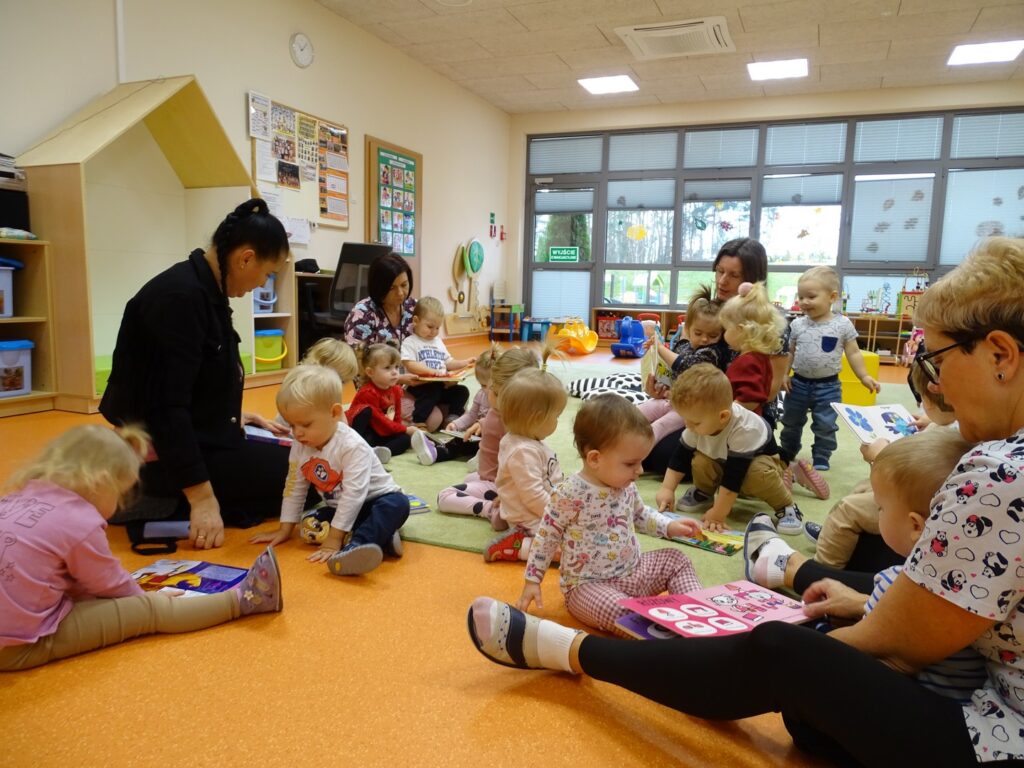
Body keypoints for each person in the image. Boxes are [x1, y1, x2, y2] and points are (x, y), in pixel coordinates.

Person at [463, 236, 1024, 767]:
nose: (936, 384)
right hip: (986, 694)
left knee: (783, 648)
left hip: (995, 734)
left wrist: (767, 649)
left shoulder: (999, 474)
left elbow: (901, 641)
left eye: (937, 360)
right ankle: (785, 570)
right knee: (821, 671)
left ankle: (570, 651)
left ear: (1000, 354)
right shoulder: (997, 462)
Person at [0, 424, 282, 671]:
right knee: (149, 611)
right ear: (101, 482)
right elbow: (111, 585)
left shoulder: (15, 498)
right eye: (121, 494)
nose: (120, 505)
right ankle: (245, 601)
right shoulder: (80, 520)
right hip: (19, 646)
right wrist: (146, 599)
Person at [100, 198, 292, 550]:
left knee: (303, 461)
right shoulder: (179, 299)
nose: (262, 282)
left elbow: (196, 379)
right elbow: (164, 410)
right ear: (245, 258)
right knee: (299, 477)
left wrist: (233, 415)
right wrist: (202, 499)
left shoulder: (206, 290)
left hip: (191, 434)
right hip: (157, 453)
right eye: (266, 273)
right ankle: (155, 498)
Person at [753, 427, 987, 702]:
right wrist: (865, 605)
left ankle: (786, 565)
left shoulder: (898, 581)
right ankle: (788, 566)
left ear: (915, 525)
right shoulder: (975, 580)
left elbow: (862, 646)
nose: (878, 513)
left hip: (914, 702)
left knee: (797, 639)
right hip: (961, 697)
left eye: (881, 508)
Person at [519, 394, 702, 635]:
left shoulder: (626, 483)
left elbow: (639, 514)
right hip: (588, 587)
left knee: (677, 559)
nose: (640, 471)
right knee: (619, 613)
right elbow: (547, 536)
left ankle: (699, 614)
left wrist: (668, 526)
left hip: (636, 572)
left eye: (641, 462)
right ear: (595, 458)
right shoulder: (569, 493)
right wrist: (533, 580)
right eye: (631, 464)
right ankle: (660, 639)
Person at [643, 238, 791, 475]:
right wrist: (664, 387)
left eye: (733, 275)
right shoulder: (709, 311)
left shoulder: (769, 322)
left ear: (751, 279)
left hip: (742, 412)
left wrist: (713, 406)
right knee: (639, 436)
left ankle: (777, 462)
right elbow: (684, 359)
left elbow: (769, 391)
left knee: (662, 457)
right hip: (695, 405)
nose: (722, 281)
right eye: (720, 271)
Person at [249, 365, 408, 577]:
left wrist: (334, 540)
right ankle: (382, 536)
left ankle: (356, 547)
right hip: (343, 507)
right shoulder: (300, 445)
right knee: (312, 521)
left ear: (334, 413)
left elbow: (354, 494)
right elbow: (294, 486)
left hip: (376, 498)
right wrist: (285, 529)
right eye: (292, 425)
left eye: (305, 424)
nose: (297, 433)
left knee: (396, 505)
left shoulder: (351, 445)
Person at [804, 361, 956, 571]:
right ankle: (835, 537)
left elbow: (905, 476)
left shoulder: (947, 433)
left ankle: (820, 568)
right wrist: (933, 422)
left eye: (922, 399)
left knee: (848, 509)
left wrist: (878, 457)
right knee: (863, 488)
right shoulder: (959, 424)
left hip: (920, 504)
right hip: (927, 499)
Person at [656, 364, 799, 534]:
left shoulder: (744, 429)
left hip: (760, 466)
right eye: (685, 419)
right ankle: (704, 492)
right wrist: (667, 489)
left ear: (723, 416)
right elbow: (680, 457)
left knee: (756, 473)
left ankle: (787, 506)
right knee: (700, 460)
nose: (687, 426)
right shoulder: (697, 423)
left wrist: (718, 514)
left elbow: (733, 476)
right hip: (724, 461)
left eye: (694, 422)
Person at [778, 266, 880, 501]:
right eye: (800, 296)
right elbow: (789, 353)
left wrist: (864, 377)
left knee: (825, 424)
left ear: (832, 297)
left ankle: (821, 455)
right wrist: (784, 374)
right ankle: (787, 451)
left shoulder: (842, 325)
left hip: (828, 386)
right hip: (799, 383)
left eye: (811, 297)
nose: (804, 302)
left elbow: (854, 353)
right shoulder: (797, 325)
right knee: (791, 420)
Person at [436, 346, 539, 528]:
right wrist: (482, 424)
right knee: (470, 478)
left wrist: (509, 494)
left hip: (497, 484)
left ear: (504, 395)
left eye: (492, 389)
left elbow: (521, 465)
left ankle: (490, 509)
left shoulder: (512, 426)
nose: (486, 392)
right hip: (493, 477)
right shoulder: (507, 415)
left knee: (444, 496)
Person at [485, 367, 568, 563]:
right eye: (556, 417)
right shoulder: (523, 451)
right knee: (574, 553)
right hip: (531, 519)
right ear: (537, 418)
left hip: (542, 511)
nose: (557, 422)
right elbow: (532, 495)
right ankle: (517, 546)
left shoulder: (529, 441)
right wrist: (558, 516)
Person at [634, 286, 729, 447]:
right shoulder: (684, 345)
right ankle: (615, 441)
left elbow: (687, 366)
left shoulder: (713, 352)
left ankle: (635, 454)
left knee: (657, 428)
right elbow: (670, 368)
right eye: (698, 333)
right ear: (688, 329)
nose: (705, 339)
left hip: (688, 410)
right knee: (634, 414)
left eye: (712, 335)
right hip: (669, 400)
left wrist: (661, 347)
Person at [411, 346, 496, 468]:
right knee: (459, 442)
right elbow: (471, 415)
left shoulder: (504, 399)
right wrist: (456, 424)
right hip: (477, 437)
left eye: (484, 385)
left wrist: (483, 425)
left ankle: (483, 460)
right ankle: (435, 452)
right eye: (480, 384)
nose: (482, 388)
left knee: (480, 443)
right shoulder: (481, 394)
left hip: (493, 440)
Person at [400, 296, 472, 430]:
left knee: (462, 391)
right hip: (420, 387)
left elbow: (448, 362)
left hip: (441, 386)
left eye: (437, 328)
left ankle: (452, 419)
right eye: (430, 327)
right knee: (432, 391)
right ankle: (417, 421)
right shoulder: (410, 342)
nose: (434, 332)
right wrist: (432, 372)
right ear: (416, 321)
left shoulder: (438, 341)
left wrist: (464, 363)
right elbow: (410, 364)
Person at [718, 281, 787, 419]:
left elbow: (750, 399)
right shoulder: (759, 357)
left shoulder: (748, 362)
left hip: (741, 425)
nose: (724, 334)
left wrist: (724, 415)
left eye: (726, 329)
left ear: (741, 330)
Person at [345, 344, 421, 464]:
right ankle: (361, 451)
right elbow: (380, 420)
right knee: (366, 413)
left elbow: (396, 417)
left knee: (405, 439)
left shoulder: (395, 389)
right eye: (387, 368)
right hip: (366, 431)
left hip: (381, 430)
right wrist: (405, 429)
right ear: (370, 372)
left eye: (396, 367)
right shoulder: (368, 392)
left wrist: (402, 431)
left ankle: (376, 453)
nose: (395, 372)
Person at [342, 250, 417, 358]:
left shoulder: (414, 307)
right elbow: (358, 361)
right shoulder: (362, 314)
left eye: (404, 285)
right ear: (378, 288)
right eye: (392, 288)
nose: (400, 293)